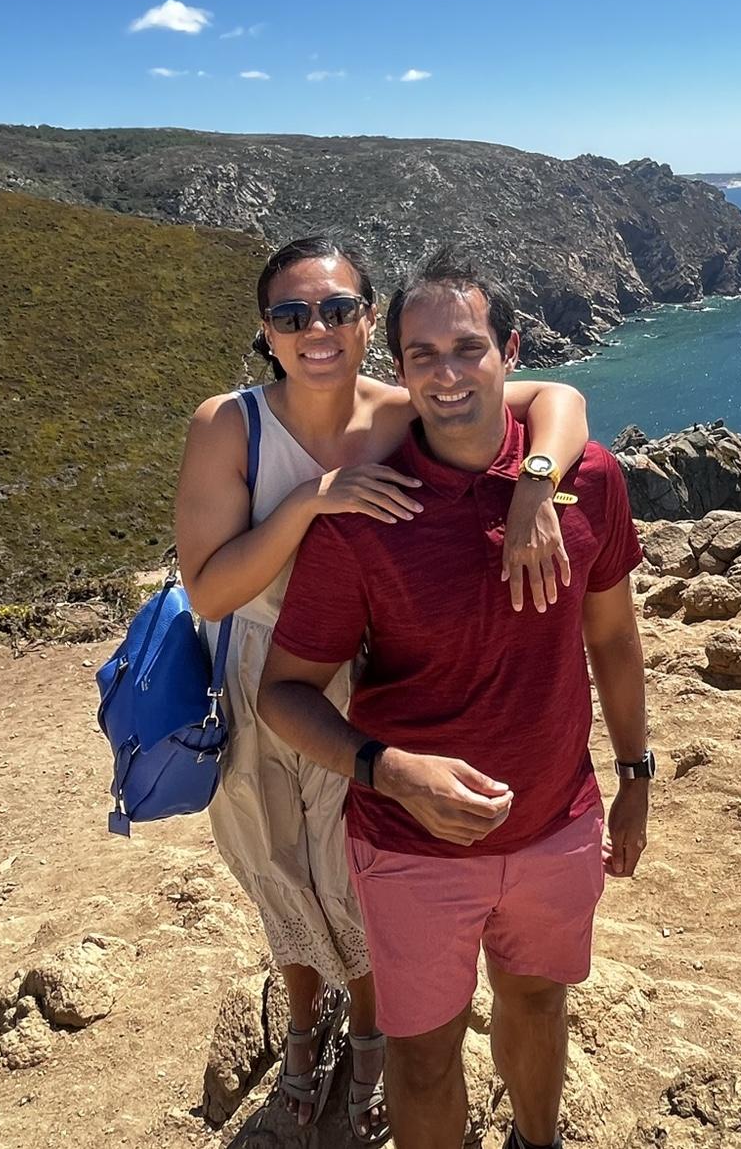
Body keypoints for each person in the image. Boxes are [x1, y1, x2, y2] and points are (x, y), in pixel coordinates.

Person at [174, 236, 590, 1141]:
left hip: (360, 670)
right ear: (266, 333)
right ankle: (298, 1029)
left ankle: (370, 1040)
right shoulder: (229, 424)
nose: (315, 329)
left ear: (369, 322)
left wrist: (534, 486)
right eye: (292, 315)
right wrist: (311, 500)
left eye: (336, 310)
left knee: (364, 877)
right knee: (280, 866)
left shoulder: (402, 405)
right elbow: (207, 589)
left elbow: (560, 399)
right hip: (261, 663)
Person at [258, 250, 653, 1149]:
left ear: (510, 351)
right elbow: (282, 694)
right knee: (424, 1054)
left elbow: (615, 639)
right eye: (422, 353)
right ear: (398, 369)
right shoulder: (368, 515)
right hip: (409, 844)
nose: (446, 372)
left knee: (539, 1003)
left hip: (556, 822)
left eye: (467, 347)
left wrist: (635, 775)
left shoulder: (587, 479)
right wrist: (388, 771)